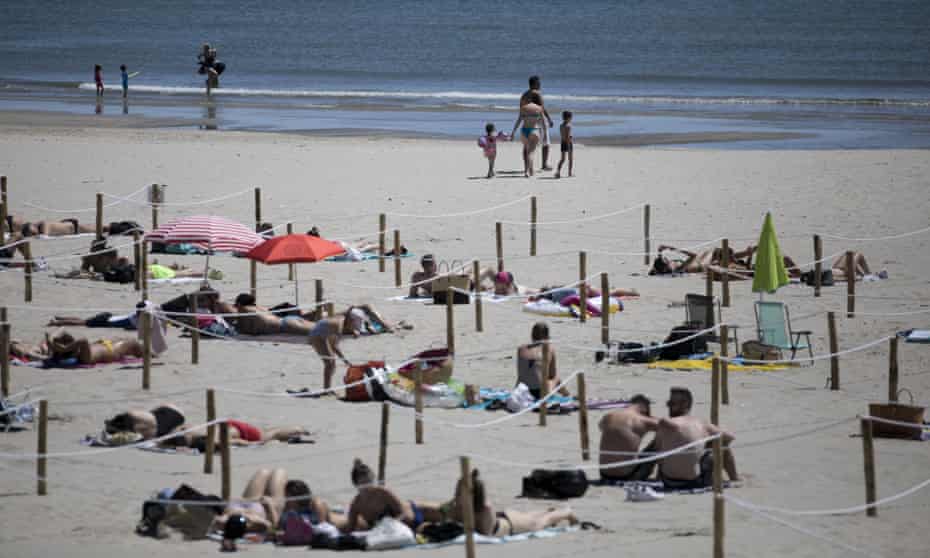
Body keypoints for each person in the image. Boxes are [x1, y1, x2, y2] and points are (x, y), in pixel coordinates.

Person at [652, 387, 739, 489]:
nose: (668, 406)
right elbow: (729, 438)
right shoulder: (701, 423)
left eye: (671, 403)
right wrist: (704, 443)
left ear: (685, 404)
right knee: (721, 443)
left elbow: (657, 453)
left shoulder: (665, 425)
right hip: (693, 482)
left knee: (663, 446)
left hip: (667, 481)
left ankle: (659, 476)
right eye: (669, 403)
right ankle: (735, 478)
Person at [447, 469, 578, 536]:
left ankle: (567, 512)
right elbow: (444, 511)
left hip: (513, 526)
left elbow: (485, 534)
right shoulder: (462, 503)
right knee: (530, 516)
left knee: (540, 523)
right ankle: (549, 511)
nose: (456, 493)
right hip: (506, 517)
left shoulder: (484, 508)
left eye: (459, 491)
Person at [343, 459, 440, 533]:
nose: (368, 487)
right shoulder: (356, 504)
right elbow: (350, 528)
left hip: (415, 515)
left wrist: (389, 525)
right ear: (356, 486)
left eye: (369, 482)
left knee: (447, 513)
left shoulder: (383, 493)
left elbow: (403, 514)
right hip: (394, 529)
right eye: (364, 483)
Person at [598, 394, 657, 481]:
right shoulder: (642, 420)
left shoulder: (609, 416)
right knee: (660, 440)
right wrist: (650, 418)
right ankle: (664, 475)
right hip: (627, 475)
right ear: (644, 408)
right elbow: (670, 429)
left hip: (604, 473)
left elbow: (600, 426)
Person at [516, 322, 570, 399]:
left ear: (532, 335)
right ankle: (567, 395)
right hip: (539, 393)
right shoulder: (549, 349)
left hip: (520, 391)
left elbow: (521, 373)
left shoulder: (521, 348)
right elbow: (552, 374)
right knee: (556, 379)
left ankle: (567, 395)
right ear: (546, 336)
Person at [519, 76, 554, 170]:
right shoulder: (537, 94)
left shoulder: (524, 95)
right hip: (538, 120)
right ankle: (544, 164)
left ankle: (526, 166)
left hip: (527, 121)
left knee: (526, 145)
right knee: (546, 142)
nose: (540, 85)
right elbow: (542, 109)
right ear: (534, 84)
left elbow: (521, 110)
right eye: (538, 83)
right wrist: (549, 119)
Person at [511, 91, 547, 177]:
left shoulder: (523, 108)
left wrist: (513, 132)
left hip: (524, 130)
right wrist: (545, 134)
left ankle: (527, 170)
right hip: (534, 130)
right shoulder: (539, 108)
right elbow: (543, 122)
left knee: (527, 151)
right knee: (531, 152)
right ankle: (530, 171)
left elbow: (518, 121)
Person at [104, 404, 186, 440]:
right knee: (146, 421)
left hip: (163, 419)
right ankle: (117, 426)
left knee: (146, 421)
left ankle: (116, 425)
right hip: (161, 426)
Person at [555, 111, 573, 179]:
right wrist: (570, 139)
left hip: (562, 142)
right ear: (568, 118)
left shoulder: (561, 125)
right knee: (570, 159)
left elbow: (562, 135)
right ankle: (569, 173)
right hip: (568, 143)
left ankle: (558, 171)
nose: (571, 119)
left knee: (562, 159)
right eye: (571, 117)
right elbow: (568, 136)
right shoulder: (569, 126)